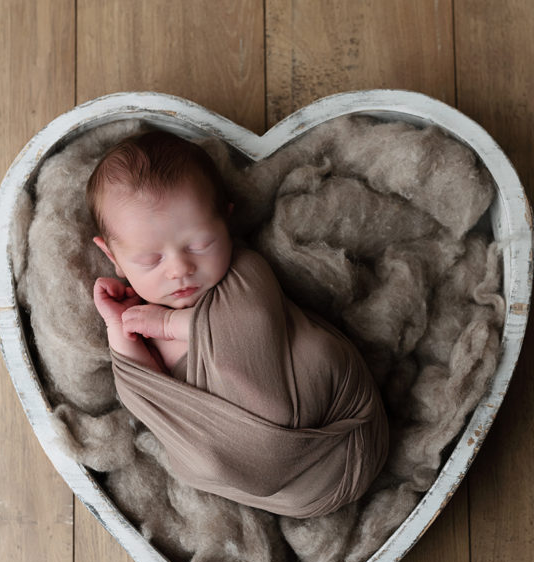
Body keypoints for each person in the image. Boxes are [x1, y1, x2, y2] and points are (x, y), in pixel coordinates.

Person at [87, 130, 388, 518]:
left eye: (199, 244)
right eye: (150, 260)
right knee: (201, 462)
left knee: (316, 356)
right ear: (112, 256)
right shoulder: (141, 328)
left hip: (343, 424)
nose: (180, 269)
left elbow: (254, 322)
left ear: (225, 221)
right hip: (294, 492)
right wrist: (118, 328)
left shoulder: (244, 275)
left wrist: (169, 323)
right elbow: (144, 390)